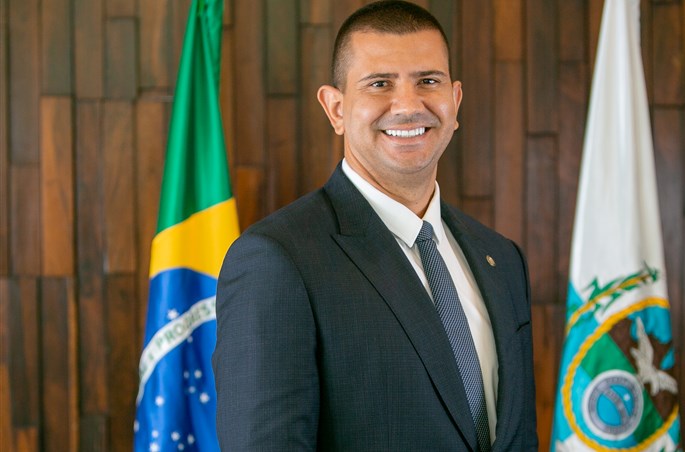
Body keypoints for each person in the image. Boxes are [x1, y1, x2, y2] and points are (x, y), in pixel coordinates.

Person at [212, 1, 538, 450]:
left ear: (455, 100)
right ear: (336, 109)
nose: (408, 105)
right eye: (380, 84)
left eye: (428, 81)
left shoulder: (502, 258)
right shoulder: (278, 261)